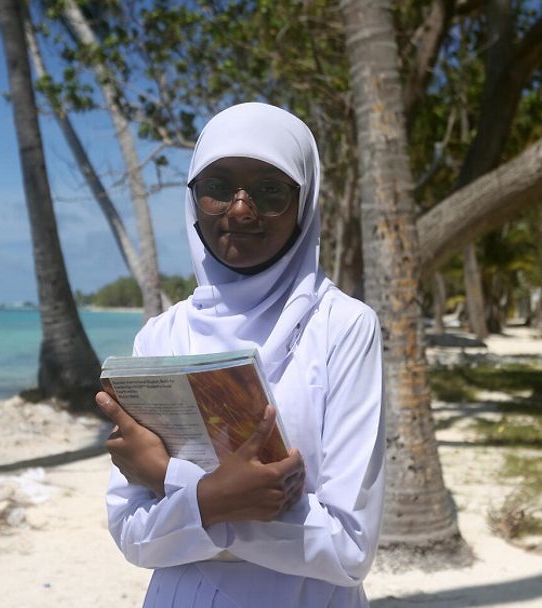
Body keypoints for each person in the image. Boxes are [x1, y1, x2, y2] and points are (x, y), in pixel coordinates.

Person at [96, 102, 385, 607]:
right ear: (194, 200)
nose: (240, 209)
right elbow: (130, 532)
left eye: (271, 190)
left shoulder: (342, 327)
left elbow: (347, 548)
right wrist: (223, 505)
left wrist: (183, 488)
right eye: (218, 187)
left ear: (305, 201)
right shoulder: (162, 337)